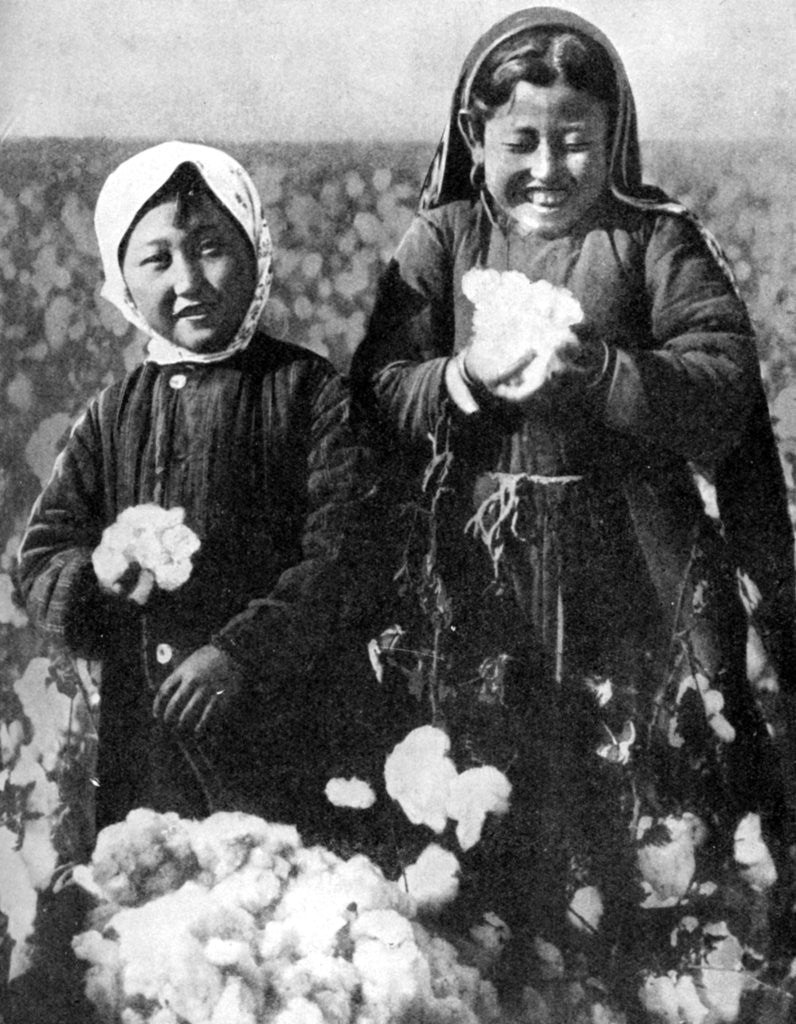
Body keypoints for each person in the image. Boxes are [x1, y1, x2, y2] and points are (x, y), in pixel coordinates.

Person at [351, 6, 796, 980]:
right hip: (474, 562)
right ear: (476, 137)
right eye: (521, 141)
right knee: (484, 774)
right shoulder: (446, 236)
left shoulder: (651, 243)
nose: (548, 167)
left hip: (628, 562)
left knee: (637, 776)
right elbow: (376, 388)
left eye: (574, 141)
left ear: (613, 139)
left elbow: (722, 382)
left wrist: (599, 371)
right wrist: (463, 377)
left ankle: (645, 965)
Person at [16, 141, 375, 836]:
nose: (189, 280)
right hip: (149, 750)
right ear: (120, 279)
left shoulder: (308, 391)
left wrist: (241, 654)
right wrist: (97, 574)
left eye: (212, 248)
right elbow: (44, 554)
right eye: (156, 259)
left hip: (286, 737)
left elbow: (344, 552)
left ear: (254, 251)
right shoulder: (113, 413)